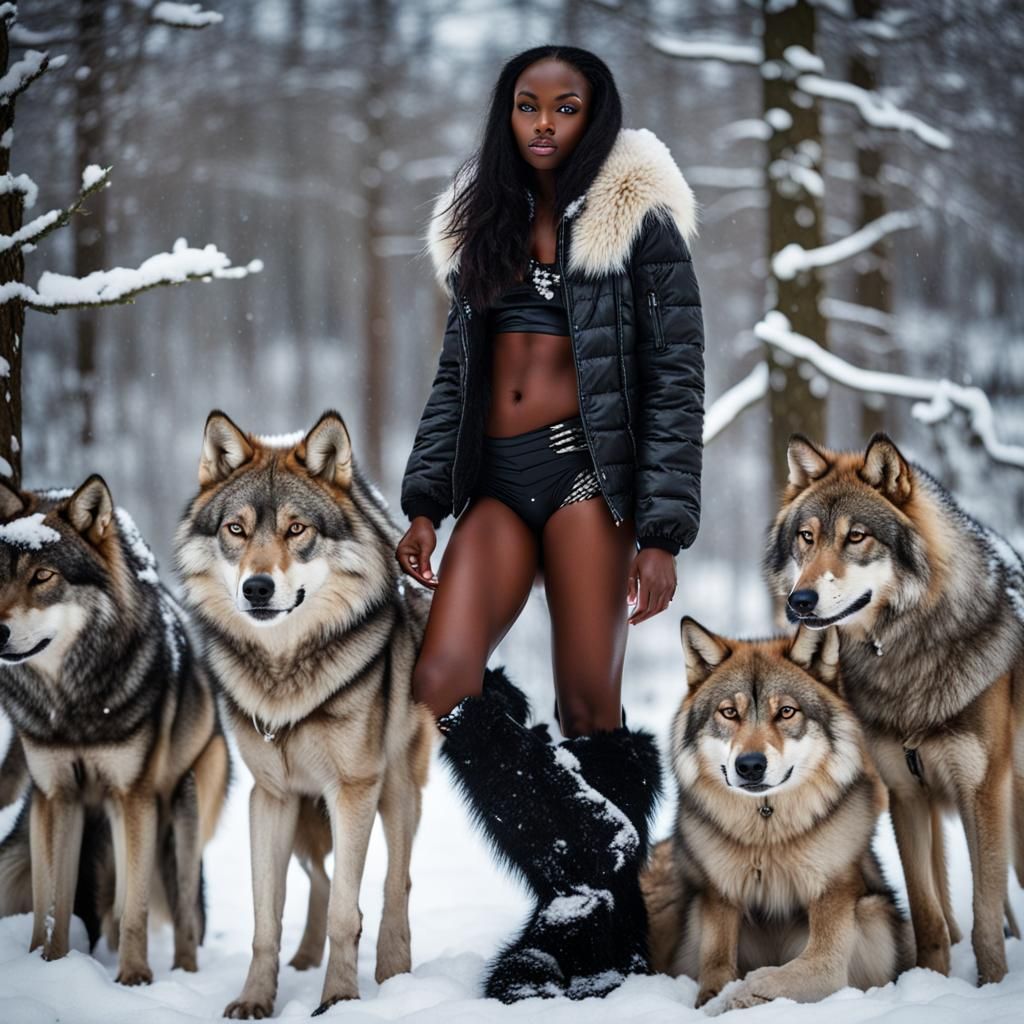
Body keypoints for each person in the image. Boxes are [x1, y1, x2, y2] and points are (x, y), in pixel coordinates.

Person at [395, 44, 705, 1002]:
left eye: (564, 108)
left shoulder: (637, 220)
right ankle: (594, 873)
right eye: (527, 106)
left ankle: (589, 939)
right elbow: (458, 376)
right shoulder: (479, 218)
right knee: (441, 677)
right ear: (507, 113)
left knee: (587, 710)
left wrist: (661, 532)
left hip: (585, 480)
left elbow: (674, 382)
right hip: (495, 482)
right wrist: (424, 502)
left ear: (594, 114)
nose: (543, 124)